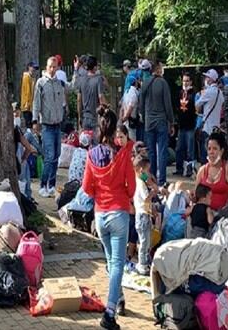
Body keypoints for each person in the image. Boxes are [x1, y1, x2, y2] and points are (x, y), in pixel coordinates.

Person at [81, 106, 134, 330]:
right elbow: (131, 187)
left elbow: (86, 187)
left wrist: (99, 195)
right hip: (119, 213)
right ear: (115, 131)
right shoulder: (122, 155)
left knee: (112, 263)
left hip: (100, 214)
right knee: (117, 265)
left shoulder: (92, 155)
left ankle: (119, 299)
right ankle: (110, 313)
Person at [33, 56, 66, 197]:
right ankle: (43, 184)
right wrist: (35, 120)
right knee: (49, 156)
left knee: (57, 156)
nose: (52, 69)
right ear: (46, 67)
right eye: (50, 66)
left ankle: (51, 184)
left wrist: (77, 71)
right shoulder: (41, 83)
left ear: (58, 67)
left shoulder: (59, 83)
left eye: (55, 67)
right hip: (46, 125)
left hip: (58, 124)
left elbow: (72, 86)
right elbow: (36, 103)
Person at [138, 59, 174, 184]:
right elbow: (168, 105)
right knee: (162, 151)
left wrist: (143, 116)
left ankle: (151, 178)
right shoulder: (163, 83)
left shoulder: (145, 83)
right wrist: (171, 121)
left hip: (149, 121)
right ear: (158, 69)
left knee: (151, 152)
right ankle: (162, 180)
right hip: (161, 121)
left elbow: (141, 104)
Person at [195, 132, 228, 212]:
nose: (211, 152)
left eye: (215, 148)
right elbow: (196, 194)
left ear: (221, 151)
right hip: (204, 215)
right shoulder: (202, 170)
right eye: (209, 149)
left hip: (223, 214)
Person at [133, 154, 156, 275]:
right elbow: (146, 199)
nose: (148, 173)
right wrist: (153, 191)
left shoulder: (140, 182)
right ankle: (142, 264)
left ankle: (145, 262)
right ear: (141, 170)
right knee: (144, 241)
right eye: (148, 170)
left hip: (144, 214)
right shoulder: (140, 184)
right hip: (142, 216)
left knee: (146, 240)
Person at [195, 69, 224, 163]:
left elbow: (197, 104)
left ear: (211, 79)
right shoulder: (220, 93)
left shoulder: (208, 92)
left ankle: (205, 174)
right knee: (214, 153)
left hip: (207, 127)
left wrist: (201, 95)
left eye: (207, 77)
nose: (205, 79)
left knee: (205, 153)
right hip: (216, 127)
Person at [75, 55, 105, 131]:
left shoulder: (81, 80)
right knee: (96, 142)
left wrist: (79, 117)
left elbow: (79, 99)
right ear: (94, 67)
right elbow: (101, 97)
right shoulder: (98, 79)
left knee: (85, 141)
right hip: (95, 117)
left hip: (85, 117)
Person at [121, 74, 141, 141]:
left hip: (126, 121)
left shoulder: (126, 92)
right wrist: (125, 118)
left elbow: (122, 107)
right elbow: (130, 108)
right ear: (135, 82)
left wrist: (122, 119)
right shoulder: (133, 93)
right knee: (132, 141)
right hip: (130, 121)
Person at [20, 61, 37, 128]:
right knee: (29, 124)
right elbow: (27, 92)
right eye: (33, 67)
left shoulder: (31, 78)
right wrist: (28, 104)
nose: (34, 69)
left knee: (31, 123)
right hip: (27, 106)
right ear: (29, 67)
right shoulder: (26, 77)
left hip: (31, 105)